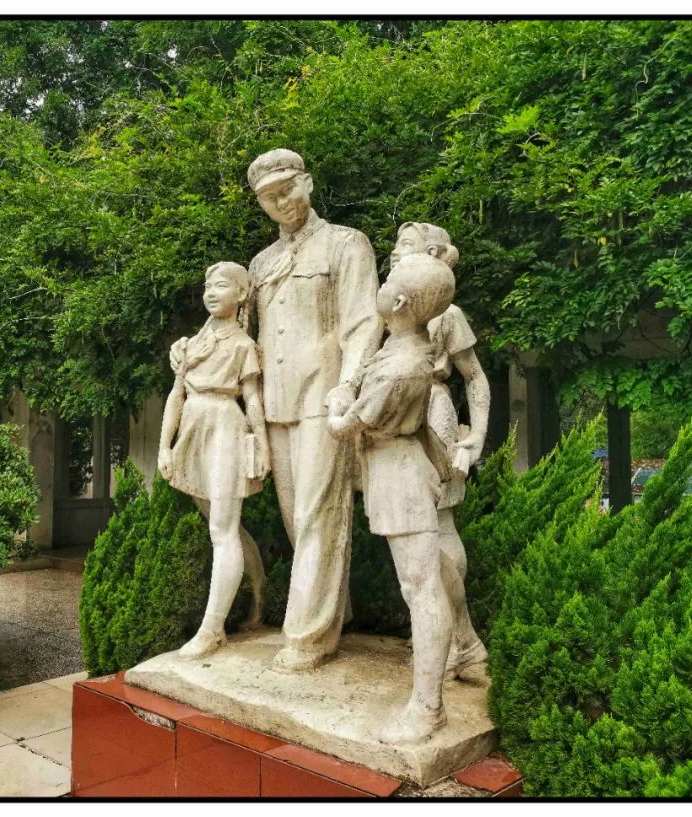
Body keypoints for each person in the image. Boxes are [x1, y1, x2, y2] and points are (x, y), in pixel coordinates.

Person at [216, 148, 382, 673]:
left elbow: (362, 322)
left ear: (307, 182)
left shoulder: (345, 244)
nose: (280, 201)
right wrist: (194, 349)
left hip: (323, 392)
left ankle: (308, 635)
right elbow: (243, 336)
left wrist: (350, 383)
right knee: (297, 518)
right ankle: (337, 611)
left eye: (287, 188)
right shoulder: (262, 264)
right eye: (268, 197)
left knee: (316, 513)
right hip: (279, 400)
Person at [327, 252, 457, 744]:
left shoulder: (399, 367)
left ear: (399, 300)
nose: (381, 281)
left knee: (421, 589)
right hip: (396, 470)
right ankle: (435, 689)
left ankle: (428, 708)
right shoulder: (406, 345)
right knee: (424, 584)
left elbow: (344, 427)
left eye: (389, 280)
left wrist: (335, 402)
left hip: (399, 474)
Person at [389, 222, 490, 677]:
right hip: (395, 420)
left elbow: (476, 377)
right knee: (415, 539)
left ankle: (454, 642)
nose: (394, 253)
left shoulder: (446, 315)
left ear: (430, 254)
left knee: (438, 529)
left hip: (432, 417)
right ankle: (461, 640)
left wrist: (477, 437)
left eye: (405, 246)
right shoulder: (392, 311)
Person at [158, 262, 270, 659]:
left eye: (221, 285)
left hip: (226, 427)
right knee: (223, 527)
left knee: (223, 529)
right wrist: (164, 445)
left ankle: (212, 628)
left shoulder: (243, 346)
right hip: (192, 430)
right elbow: (176, 395)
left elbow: (252, 398)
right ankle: (260, 593)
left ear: (241, 295)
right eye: (207, 285)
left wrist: (261, 445)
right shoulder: (190, 344)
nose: (210, 291)